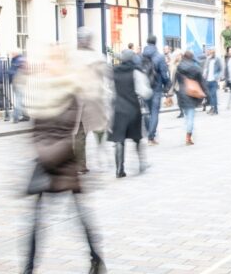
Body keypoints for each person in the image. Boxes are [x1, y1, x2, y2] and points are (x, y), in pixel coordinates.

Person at [20, 44, 107, 274]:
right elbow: (37, 128)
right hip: (46, 159)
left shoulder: (70, 90)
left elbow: (67, 129)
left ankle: (96, 259)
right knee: (37, 221)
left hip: (62, 160)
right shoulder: (40, 91)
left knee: (79, 216)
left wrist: (45, 156)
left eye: (55, 59)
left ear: (64, 63)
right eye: (49, 59)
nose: (50, 64)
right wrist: (41, 152)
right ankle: (28, 267)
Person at [73, 28, 111, 174]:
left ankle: (80, 165)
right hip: (95, 99)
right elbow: (107, 75)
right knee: (100, 127)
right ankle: (102, 154)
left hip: (78, 98)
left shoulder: (72, 57)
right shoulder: (97, 57)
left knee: (79, 133)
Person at [110, 49, 152, 178]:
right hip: (133, 109)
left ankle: (119, 169)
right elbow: (144, 91)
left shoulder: (114, 72)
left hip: (118, 109)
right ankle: (142, 164)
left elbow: (109, 91)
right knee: (137, 137)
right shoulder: (136, 72)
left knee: (119, 140)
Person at [141, 35, 170, 145]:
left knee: (147, 111)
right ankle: (151, 137)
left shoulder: (141, 56)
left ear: (147, 41)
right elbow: (164, 74)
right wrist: (167, 84)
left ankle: (150, 132)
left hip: (144, 86)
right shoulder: (159, 56)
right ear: (156, 42)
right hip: (156, 87)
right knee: (154, 112)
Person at [175, 51, 206, 145]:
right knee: (191, 116)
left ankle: (188, 131)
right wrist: (206, 93)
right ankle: (188, 136)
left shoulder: (179, 67)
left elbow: (176, 80)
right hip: (192, 94)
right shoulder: (195, 68)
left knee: (186, 115)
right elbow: (201, 82)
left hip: (181, 93)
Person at [8, 50, 29, 123]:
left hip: (19, 83)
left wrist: (9, 71)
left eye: (12, 52)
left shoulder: (19, 60)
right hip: (18, 83)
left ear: (16, 53)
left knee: (18, 101)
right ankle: (26, 116)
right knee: (20, 100)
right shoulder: (16, 59)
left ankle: (15, 117)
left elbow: (13, 71)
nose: (11, 54)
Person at [203, 47, 223, 115]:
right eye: (209, 52)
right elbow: (205, 68)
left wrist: (217, 77)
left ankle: (215, 109)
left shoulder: (217, 59)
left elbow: (221, 69)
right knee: (210, 96)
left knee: (213, 95)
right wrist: (204, 74)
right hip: (208, 80)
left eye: (211, 52)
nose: (210, 53)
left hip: (214, 80)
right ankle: (213, 108)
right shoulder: (208, 59)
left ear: (214, 52)